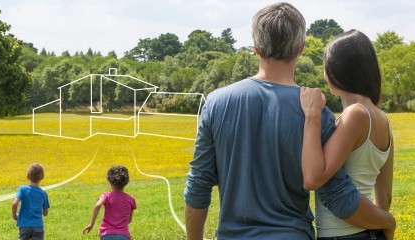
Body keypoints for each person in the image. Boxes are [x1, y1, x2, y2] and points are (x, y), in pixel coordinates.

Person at [184, 3, 395, 239]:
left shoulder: (215, 103)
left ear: (255, 48)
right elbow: (337, 196)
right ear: (301, 48)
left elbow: (198, 185)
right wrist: (386, 221)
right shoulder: (315, 112)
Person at [300, 29, 395, 240]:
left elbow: (314, 178)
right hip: (370, 232)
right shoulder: (383, 119)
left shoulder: (355, 114)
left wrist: (312, 115)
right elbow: (385, 195)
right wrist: (383, 227)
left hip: (343, 234)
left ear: (337, 71)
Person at [83, 165, 136, 240]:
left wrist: (91, 224)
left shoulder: (106, 196)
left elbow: (98, 205)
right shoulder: (131, 199)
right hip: (123, 236)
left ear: (110, 183)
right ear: (126, 182)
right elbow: (129, 220)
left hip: (106, 234)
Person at [12, 163, 50, 240]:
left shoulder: (22, 189)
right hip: (38, 227)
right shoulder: (43, 193)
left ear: (27, 177)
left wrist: (15, 215)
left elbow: (14, 203)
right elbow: (45, 213)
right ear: (42, 177)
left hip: (24, 226)